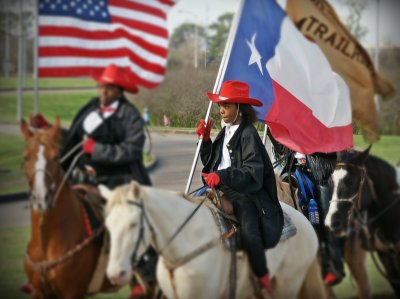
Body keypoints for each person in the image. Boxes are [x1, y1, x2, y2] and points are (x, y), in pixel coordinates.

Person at [27, 64, 156, 299]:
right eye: (101, 87)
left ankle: (142, 276)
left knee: (130, 219)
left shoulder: (130, 116)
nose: (103, 92)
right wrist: (47, 127)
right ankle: (40, 271)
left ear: (118, 90)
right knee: (51, 208)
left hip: (121, 179)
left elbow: (131, 149)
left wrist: (96, 149)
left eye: (108, 88)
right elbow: (73, 139)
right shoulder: (90, 109)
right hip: (83, 176)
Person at [196, 80, 284, 294]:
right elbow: (211, 161)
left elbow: (252, 172)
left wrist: (223, 175)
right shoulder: (225, 131)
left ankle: (262, 276)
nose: (221, 110)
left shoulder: (248, 134)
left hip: (244, 193)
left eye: (226, 105)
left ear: (240, 108)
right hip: (219, 187)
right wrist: (206, 140)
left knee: (250, 232)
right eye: (220, 106)